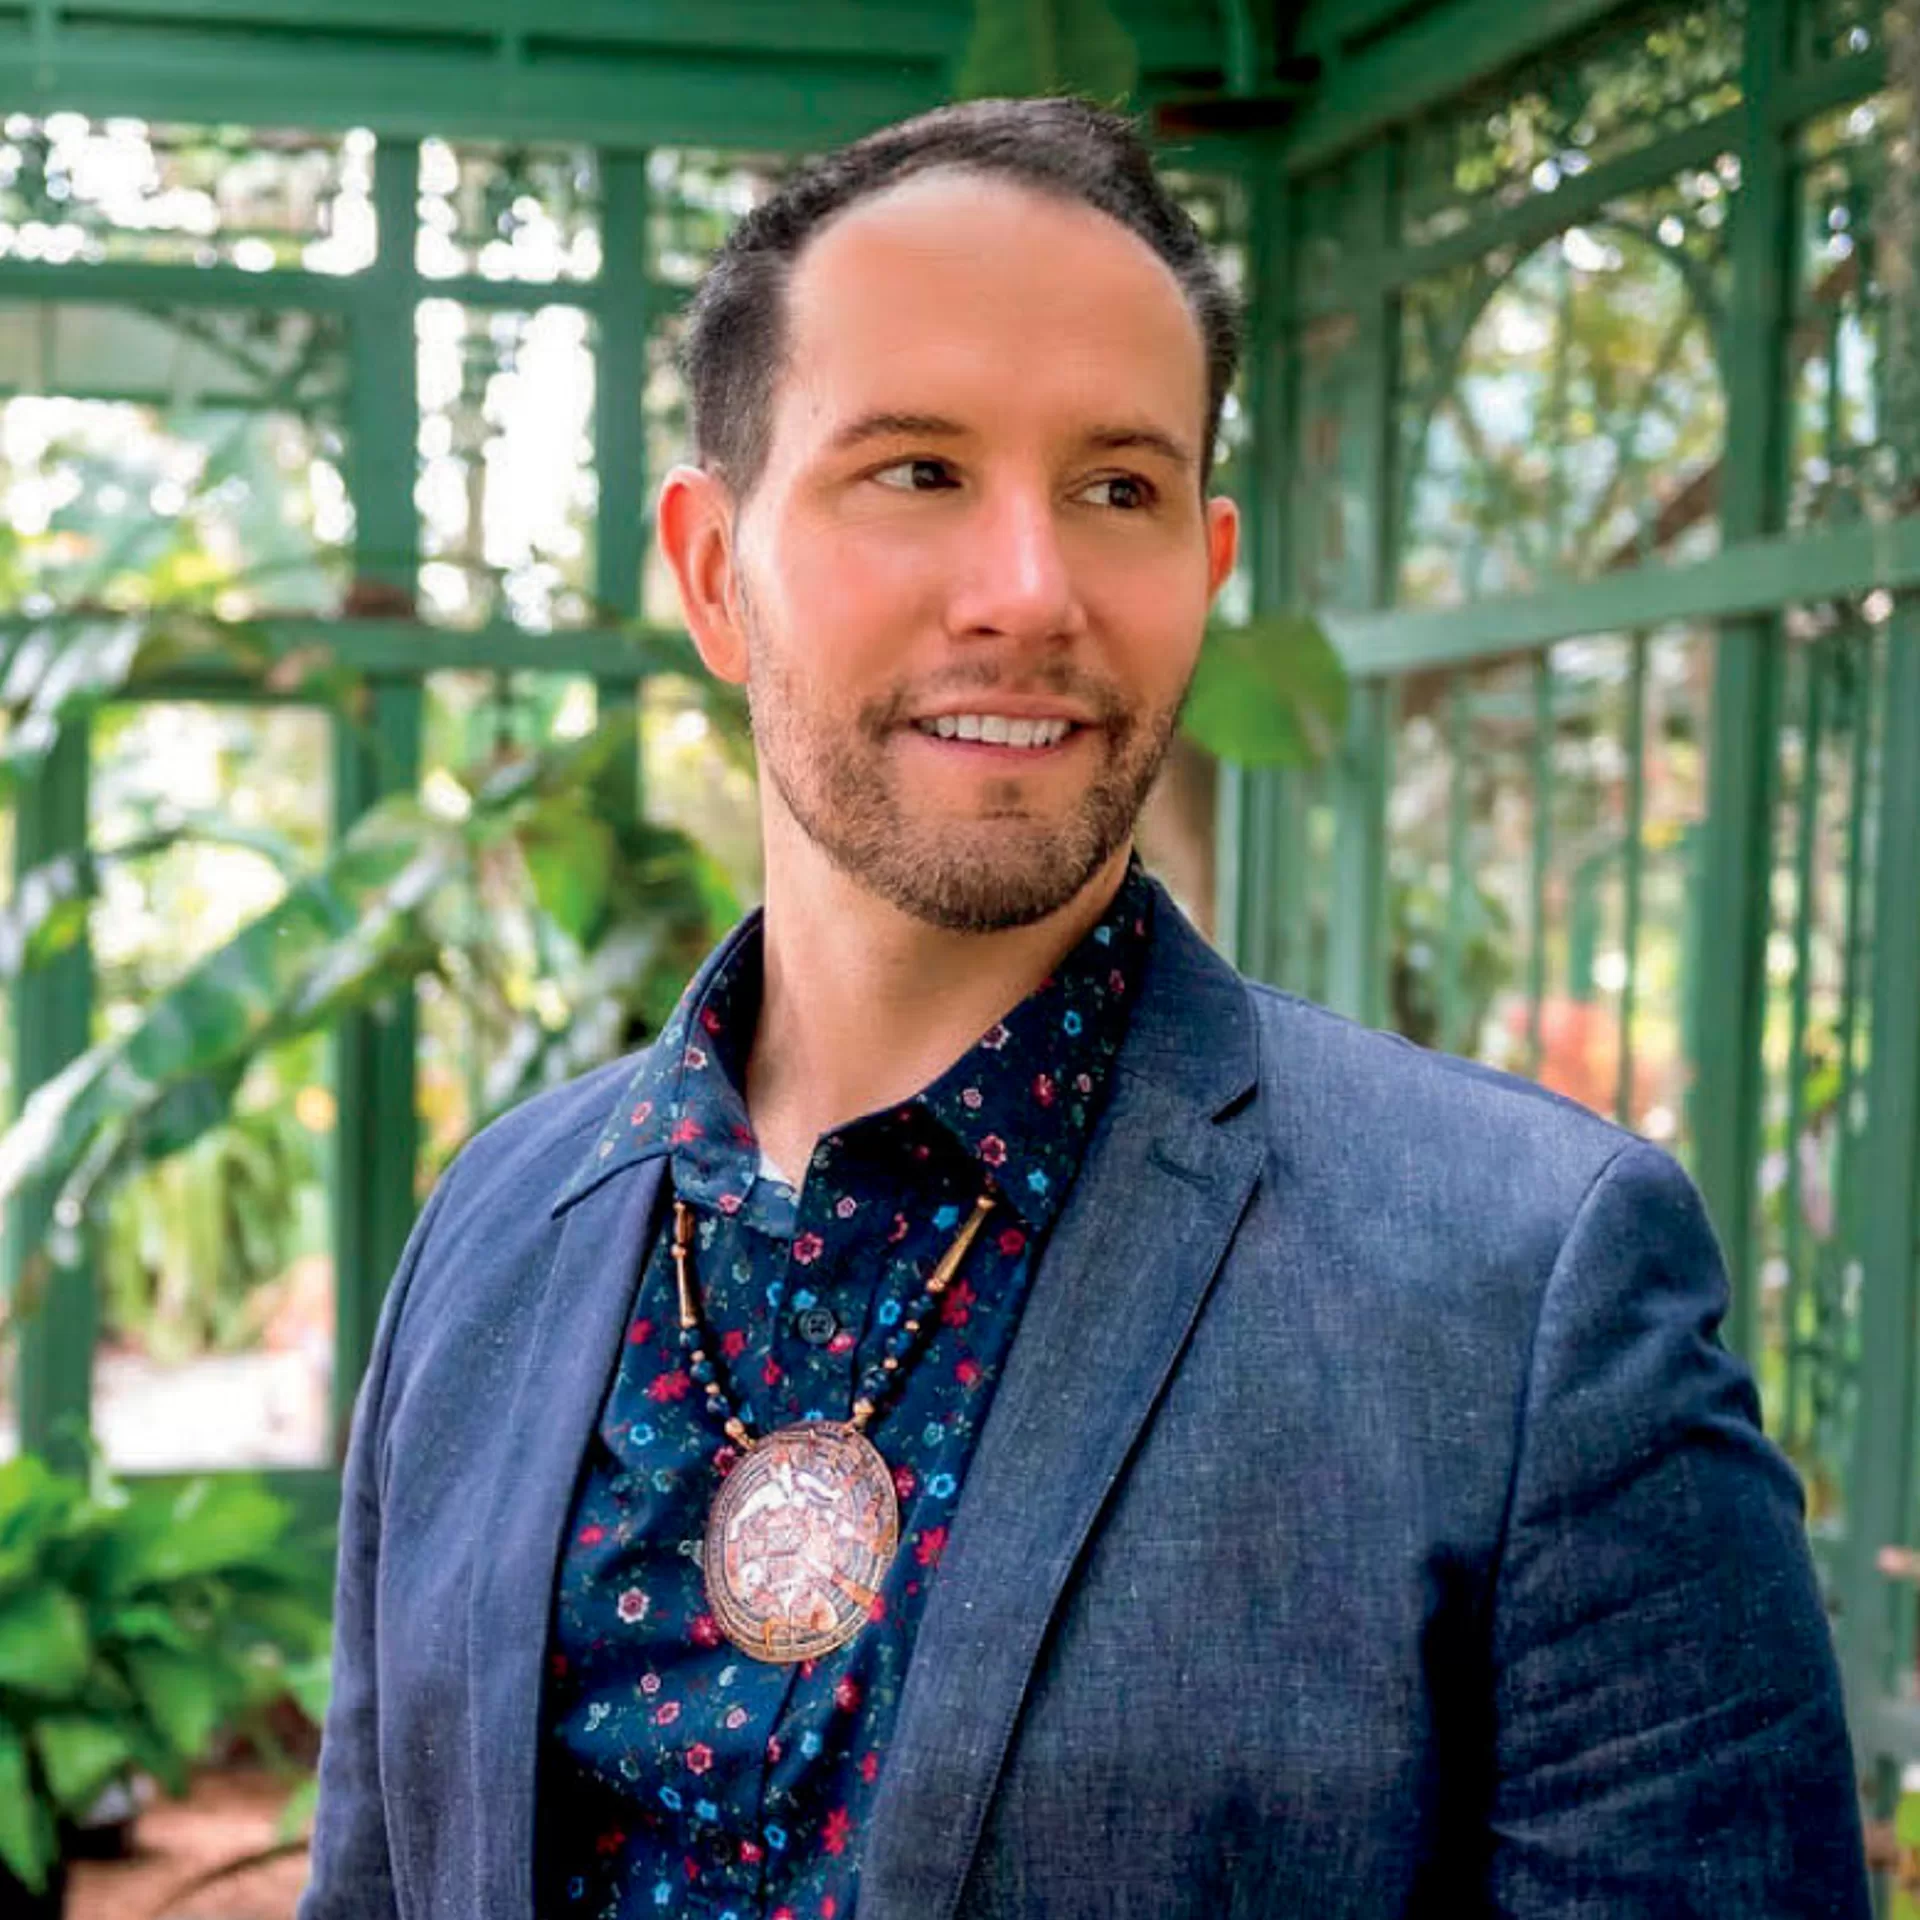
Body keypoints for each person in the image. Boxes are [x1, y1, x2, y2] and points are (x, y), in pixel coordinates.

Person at [299, 97, 1870, 1920]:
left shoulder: (1531, 1292)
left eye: (1115, 489)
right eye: (919, 470)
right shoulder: (493, 1232)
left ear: (1202, 568)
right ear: (717, 573)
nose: (1030, 591)